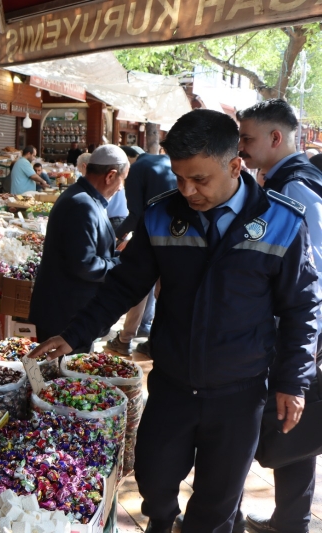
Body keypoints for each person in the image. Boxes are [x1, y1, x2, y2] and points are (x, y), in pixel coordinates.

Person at [28, 109, 320, 533]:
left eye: (200, 179)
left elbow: (301, 307)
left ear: (235, 165)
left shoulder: (283, 221)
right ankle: (163, 523)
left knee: (216, 505)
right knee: (154, 480)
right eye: (180, 178)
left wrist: (293, 381)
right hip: (172, 383)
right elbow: (123, 286)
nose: (188, 191)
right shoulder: (163, 213)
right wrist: (75, 334)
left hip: (239, 392)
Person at [236, 98, 322, 533]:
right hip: (290, 331)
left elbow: (313, 276)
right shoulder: (288, 181)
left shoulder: (295, 189)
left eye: (247, 138)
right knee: (289, 425)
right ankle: (291, 520)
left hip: (287, 332)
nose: (241, 147)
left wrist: (303, 346)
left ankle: (288, 520)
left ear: (275, 138)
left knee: (280, 420)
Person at [28, 145, 130, 348]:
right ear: (110, 175)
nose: (121, 187)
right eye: (122, 179)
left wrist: (116, 253)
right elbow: (85, 265)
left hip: (70, 314)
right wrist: (121, 262)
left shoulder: (86, 199)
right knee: (62, 376)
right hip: (66, 316)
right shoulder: (82, 204)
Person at [106, 152, 177, 355]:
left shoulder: (136, 169)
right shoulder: (165, 162)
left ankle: (125, 339)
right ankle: (154, 339)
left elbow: (135, 214)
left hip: (153, 232)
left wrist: (113, 238)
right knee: (162, 290)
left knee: (139, 283)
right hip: (178, 232)